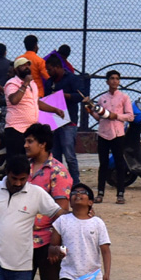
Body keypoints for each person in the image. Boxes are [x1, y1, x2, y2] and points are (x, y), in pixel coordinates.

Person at [25, 123, 72, 280]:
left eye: (30, 141)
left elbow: (62, 210)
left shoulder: (58, 171)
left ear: (43, 144)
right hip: (22, 237)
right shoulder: (23, 169)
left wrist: (56, 243)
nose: (25, 145)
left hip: (48, 238)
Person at [86, 69, 134, 205]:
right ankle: (100, 192)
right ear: (107, 81)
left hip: (118, 134)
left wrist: (116, 116)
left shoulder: (124, 97)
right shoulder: (103, 98)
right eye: (112, 78)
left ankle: (120, 193)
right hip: (104, 133)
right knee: (103, 164)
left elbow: (130, 116)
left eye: (117, 79)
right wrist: (90, 110)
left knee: (119, 164)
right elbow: (99, 117)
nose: (114, 81)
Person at [44, 53, 84, 183]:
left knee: (69, 155)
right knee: (55, 155)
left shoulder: (71, 79)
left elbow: (80, 96)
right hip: (54, 122)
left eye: (49, 69)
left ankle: (75, 182)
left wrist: (64, 96)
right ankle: (59, 180)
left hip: (69, 122)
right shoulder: (50, 82)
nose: (48, 72)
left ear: (57, 67)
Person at [2, 57, 40, 158]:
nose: (27, 67)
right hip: (16, 129)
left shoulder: (33, 84)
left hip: (30, 129)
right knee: (16, 160)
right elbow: (14, 100)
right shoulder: (12, 83)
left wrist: (55, 110)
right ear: (16, 69)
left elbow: (36, 102)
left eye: (28, 65)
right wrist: (25, 84)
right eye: (23, 66)